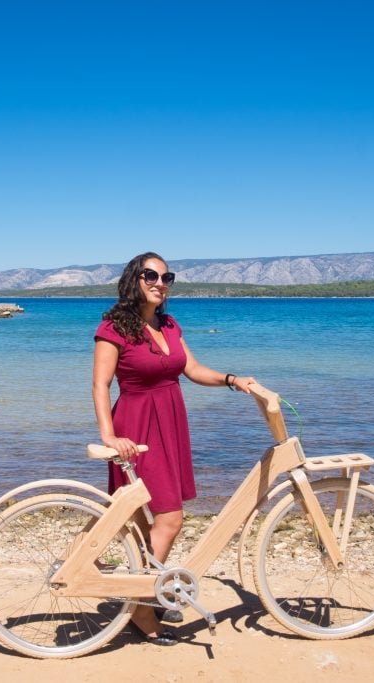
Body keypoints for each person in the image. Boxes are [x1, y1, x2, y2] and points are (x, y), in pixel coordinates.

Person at [92, 251, 255, 646]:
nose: (159, 283)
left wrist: (234, 380)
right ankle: (142, 609)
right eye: (151, 275)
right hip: (136, 426)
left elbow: (193, 370)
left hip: (171, 424)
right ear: (134, 279)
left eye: (167, 277)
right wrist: (110, 436)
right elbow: (100, 385)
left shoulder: (169, 325)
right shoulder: (114, 328)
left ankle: (146, 589)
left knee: (152, 523)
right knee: (170, 518)